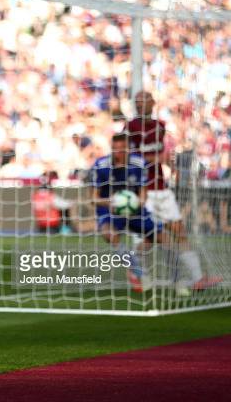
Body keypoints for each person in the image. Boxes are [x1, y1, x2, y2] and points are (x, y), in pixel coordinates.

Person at [127, 91, 221, 291]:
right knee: (150, 238)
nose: (140, 104)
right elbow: (131, 159)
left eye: (143, 101)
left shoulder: (159, 126)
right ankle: (136, 271)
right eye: (137, 102)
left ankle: (197, 279)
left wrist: (170, 163)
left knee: (179, 232)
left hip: (162, 188)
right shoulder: (131, 127)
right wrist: (155, 159)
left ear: (152, 102)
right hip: (146, 191)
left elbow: (161, 153)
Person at [91, 133, 167, 293]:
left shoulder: (139, 163)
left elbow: (143, 193)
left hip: (135, 209)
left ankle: (180, 279)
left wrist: (137, 203)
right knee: (109, 234)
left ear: (129, 149)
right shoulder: (101, 165)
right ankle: (140, 273)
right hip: (109, 208)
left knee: (163, 238)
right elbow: (93, 198)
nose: (119, 153)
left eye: (122, 149)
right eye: (115, 149)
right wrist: (110, 202)